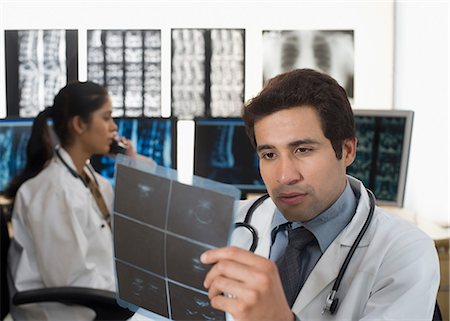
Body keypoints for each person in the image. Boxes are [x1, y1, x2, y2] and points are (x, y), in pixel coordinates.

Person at [200, 69, 440, 321]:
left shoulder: (404, 252)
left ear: (347, 151)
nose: (285, 176)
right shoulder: (222, 222)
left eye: (303, 150)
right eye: (269, 154)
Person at [5, 81, 146, 320]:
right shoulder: (50, 192)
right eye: (106, 117)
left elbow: (134, 228)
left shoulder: (96, 183)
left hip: (103, 298)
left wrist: (130, 163)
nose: (114, 127)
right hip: (69, 311)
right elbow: (72, 280)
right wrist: (134, 295)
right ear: (79, 124)